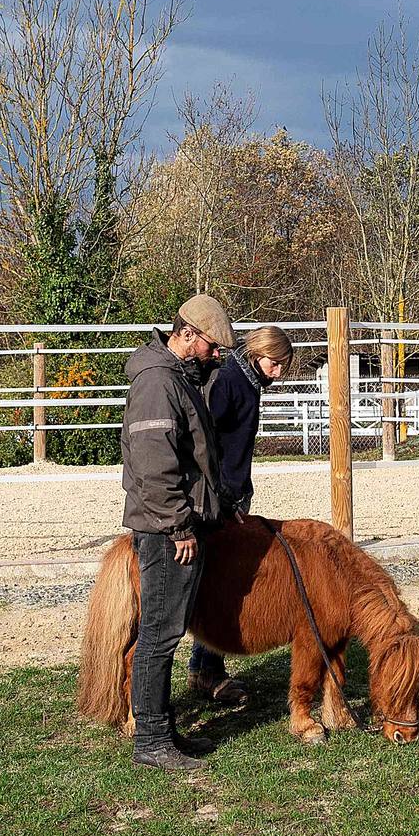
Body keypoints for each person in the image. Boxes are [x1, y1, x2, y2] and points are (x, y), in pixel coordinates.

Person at [121, 294, 235, 771]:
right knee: (160, 632)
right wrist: (179, 525)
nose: (215, 356)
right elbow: (154, 464)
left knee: (164, 628)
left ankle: (159, 729)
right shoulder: (157, 385)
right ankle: (151, 739)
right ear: (187, 333)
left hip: (173, 524)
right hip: (166, 531)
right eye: (211, 347)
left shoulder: (175, 378)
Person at [186, 325, 294, 697]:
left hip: (232, 493)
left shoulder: (247, 383)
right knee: (220, 581)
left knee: (217, 578)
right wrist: (222, 495)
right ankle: (208, 671)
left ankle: (204, 668)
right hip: (221, 497)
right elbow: (206, 439)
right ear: (257, 352)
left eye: (283, 365)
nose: (278, 371)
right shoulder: (232, 382)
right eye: (274, 362)